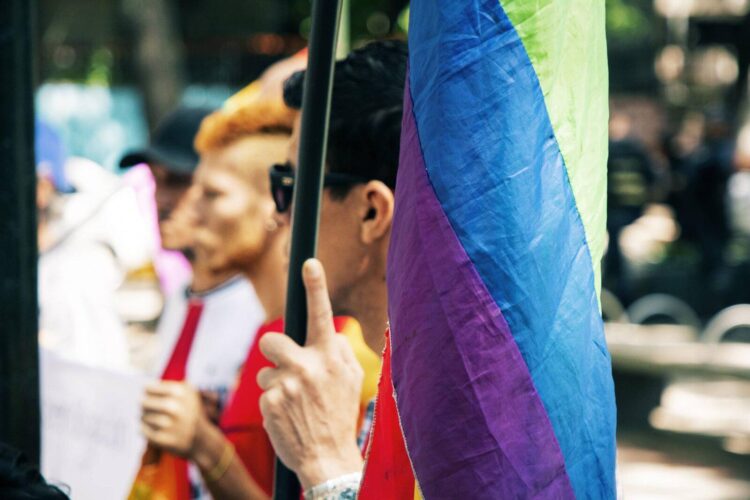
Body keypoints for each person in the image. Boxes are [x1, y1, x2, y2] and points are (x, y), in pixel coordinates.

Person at [257, 40, 407, 498]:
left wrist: (328, 464)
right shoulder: (396, 377)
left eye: (291, 186)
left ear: (371, 212)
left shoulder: (460, 401)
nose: (276, 215)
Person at [123, 107, 266, 499]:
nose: (162, 200)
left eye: (179, 182)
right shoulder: (181, 296)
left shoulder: (262, 308)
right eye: (156, 182)